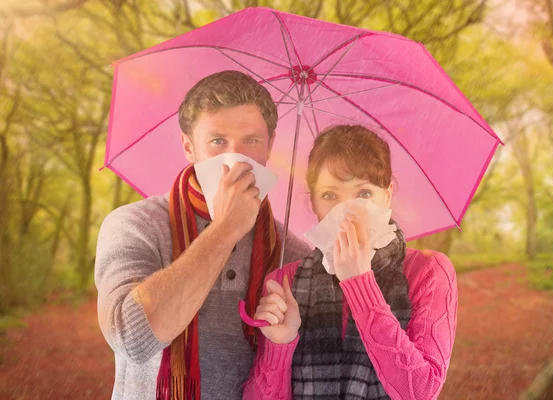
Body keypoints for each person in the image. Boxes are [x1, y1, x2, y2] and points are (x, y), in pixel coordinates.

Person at [95, 71, 312, 400]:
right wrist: (226, 229)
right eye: (217, 141)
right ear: (188, 146)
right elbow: (130, 338)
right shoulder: (134, 225)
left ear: (269, 146)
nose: (234, 158)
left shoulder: (293, 253)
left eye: (251, 141)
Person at [243, 125, 458, 400]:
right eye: (330, 196)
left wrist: (360, 284)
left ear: (387, 194)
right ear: (313, 203)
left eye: (364, 194)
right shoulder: (284, 283)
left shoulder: (427, 272)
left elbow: (421, 391)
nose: (346, 212)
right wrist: (279, 343)